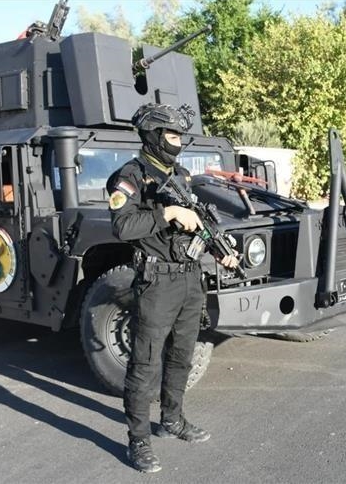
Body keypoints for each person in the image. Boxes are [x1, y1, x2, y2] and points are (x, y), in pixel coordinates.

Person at [107, 103, 239, 473]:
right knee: (145, 363)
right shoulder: (129, 177)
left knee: (183, 355)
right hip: (157, 282)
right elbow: (122, 227)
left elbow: (197, 227)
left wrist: (221, 252)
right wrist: (167, 213)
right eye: (172, 134)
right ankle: (138, 440)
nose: (178, 142)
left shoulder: (180, 176)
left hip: (190, 278)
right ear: (152, 135)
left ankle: (172, 419)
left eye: (180, 135)